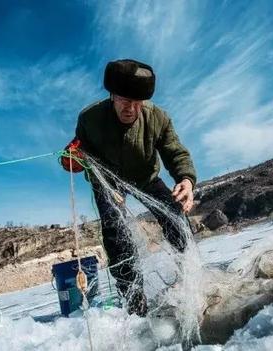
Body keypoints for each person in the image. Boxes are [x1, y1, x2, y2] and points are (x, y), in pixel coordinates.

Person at [60, 59, 196, 316]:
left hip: (146, 177)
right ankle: (134, 300)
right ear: (112, 95)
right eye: (124, 100)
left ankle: (188, 276)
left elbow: (175, 152)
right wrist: (73, 159)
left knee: (175, 216)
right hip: (108, 181)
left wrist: (186, 180)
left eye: (137, 102)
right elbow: (80, 151)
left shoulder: (159, 118)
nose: (131, 108)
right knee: (115, 230)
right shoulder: (89, 119)